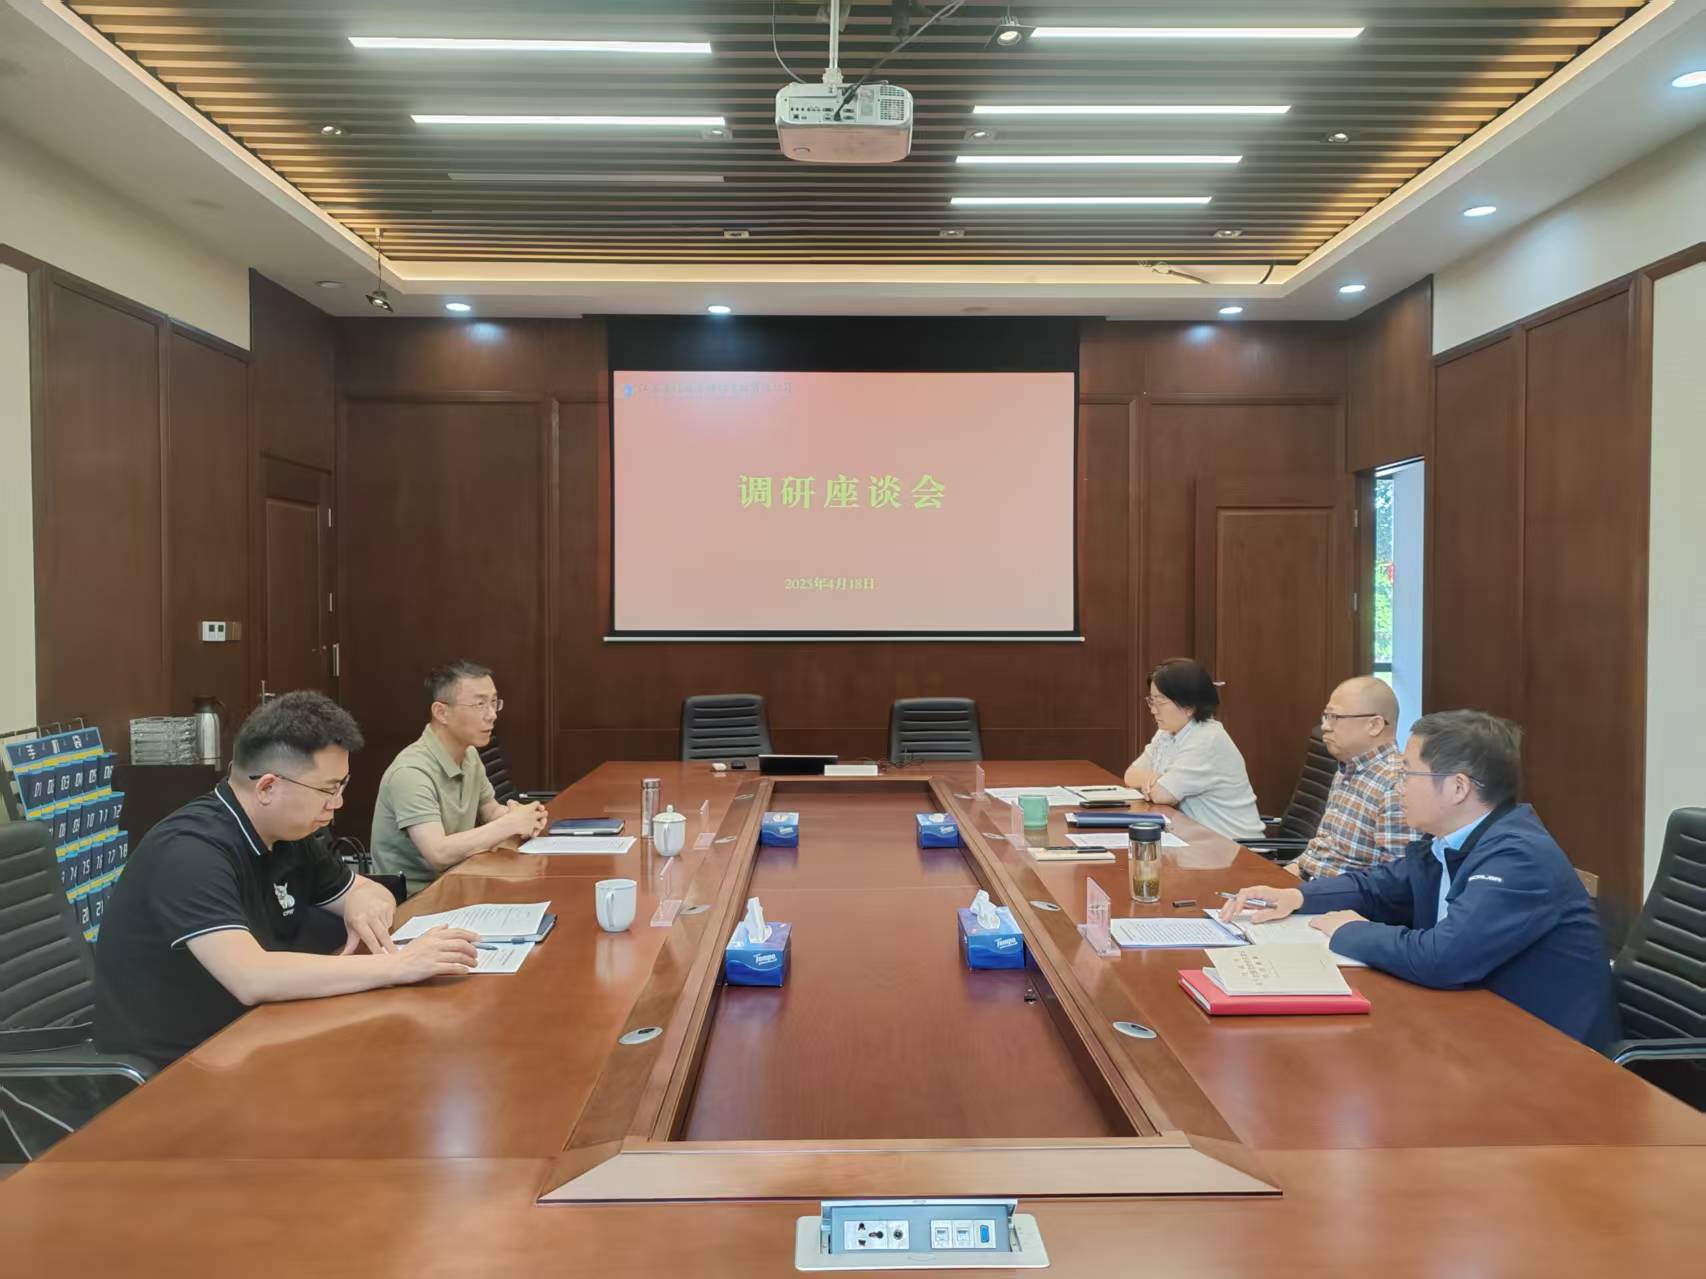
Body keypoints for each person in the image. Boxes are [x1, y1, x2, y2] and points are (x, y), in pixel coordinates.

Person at [94, 691, 479, 1068]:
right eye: (328, 789)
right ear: (268, 787)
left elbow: (365, 890)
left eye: (342, 786)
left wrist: (364, 905)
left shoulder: (291, 833)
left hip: (257, 1033)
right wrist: (400, 965)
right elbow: (251, 977)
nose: (337, 803)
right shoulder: (189, 852)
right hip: (180, 1066)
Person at [1219, 709, 1616, 1048]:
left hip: (1549, 1050)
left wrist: (1349, 930)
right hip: (1474, 1024)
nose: (1398, 786)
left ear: (1458, 788)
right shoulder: (1447, 841)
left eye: (1408, 773)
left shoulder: (1517, 858)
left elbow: (1442, 958)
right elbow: (1377, 887)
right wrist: (1297, 897)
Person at [370, 660, 547, 895]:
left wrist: (524, 816)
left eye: (494, 702)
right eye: (480, 704)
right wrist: (510, 824)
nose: (492, 715)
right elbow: (438, 853)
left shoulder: (469, 754)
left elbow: (490, 810)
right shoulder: (411, 772)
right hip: (417, 899)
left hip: (462, 881)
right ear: (441, 712)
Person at [1285, 676, 1416, 880]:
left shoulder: (1396, 784)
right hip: (1306, 883)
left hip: (1336, 896)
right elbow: (1321, 851)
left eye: (1335, 717)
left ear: (1375, 725)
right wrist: (1281, 878)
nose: (1325, 726)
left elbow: (1396, 882)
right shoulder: (1347, 768)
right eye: (1325, 716)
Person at [1123, 658, 1264, 840]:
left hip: (1234, 847)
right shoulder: (1167, 731)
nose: (1153, 710)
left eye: (1160, 702)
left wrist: (1156, 783)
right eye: (1151, 701)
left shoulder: (1207, 739)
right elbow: (1130, 775)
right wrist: (1157, 779)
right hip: (1198, 840)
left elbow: (1162, 794)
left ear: (1189, 706)